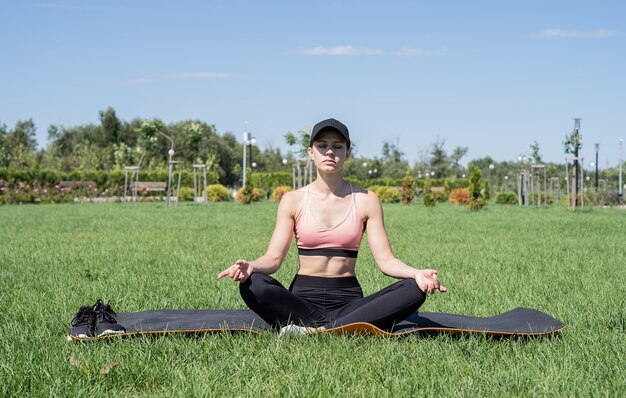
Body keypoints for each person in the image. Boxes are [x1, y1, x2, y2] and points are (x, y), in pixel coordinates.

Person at [218, 118, 446, 334]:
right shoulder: (293, 200)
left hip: (348, 301)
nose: (329, 152)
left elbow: (386, 261)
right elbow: (274, 258)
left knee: (414, 289)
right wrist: (251, 266)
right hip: (301, 302)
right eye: (322, 145)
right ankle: (341, 329)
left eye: (337, 146)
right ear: (310, 152)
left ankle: (317, 331)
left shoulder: (367, 200)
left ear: (347, 153)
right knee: (254, 284)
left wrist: (416, 274)